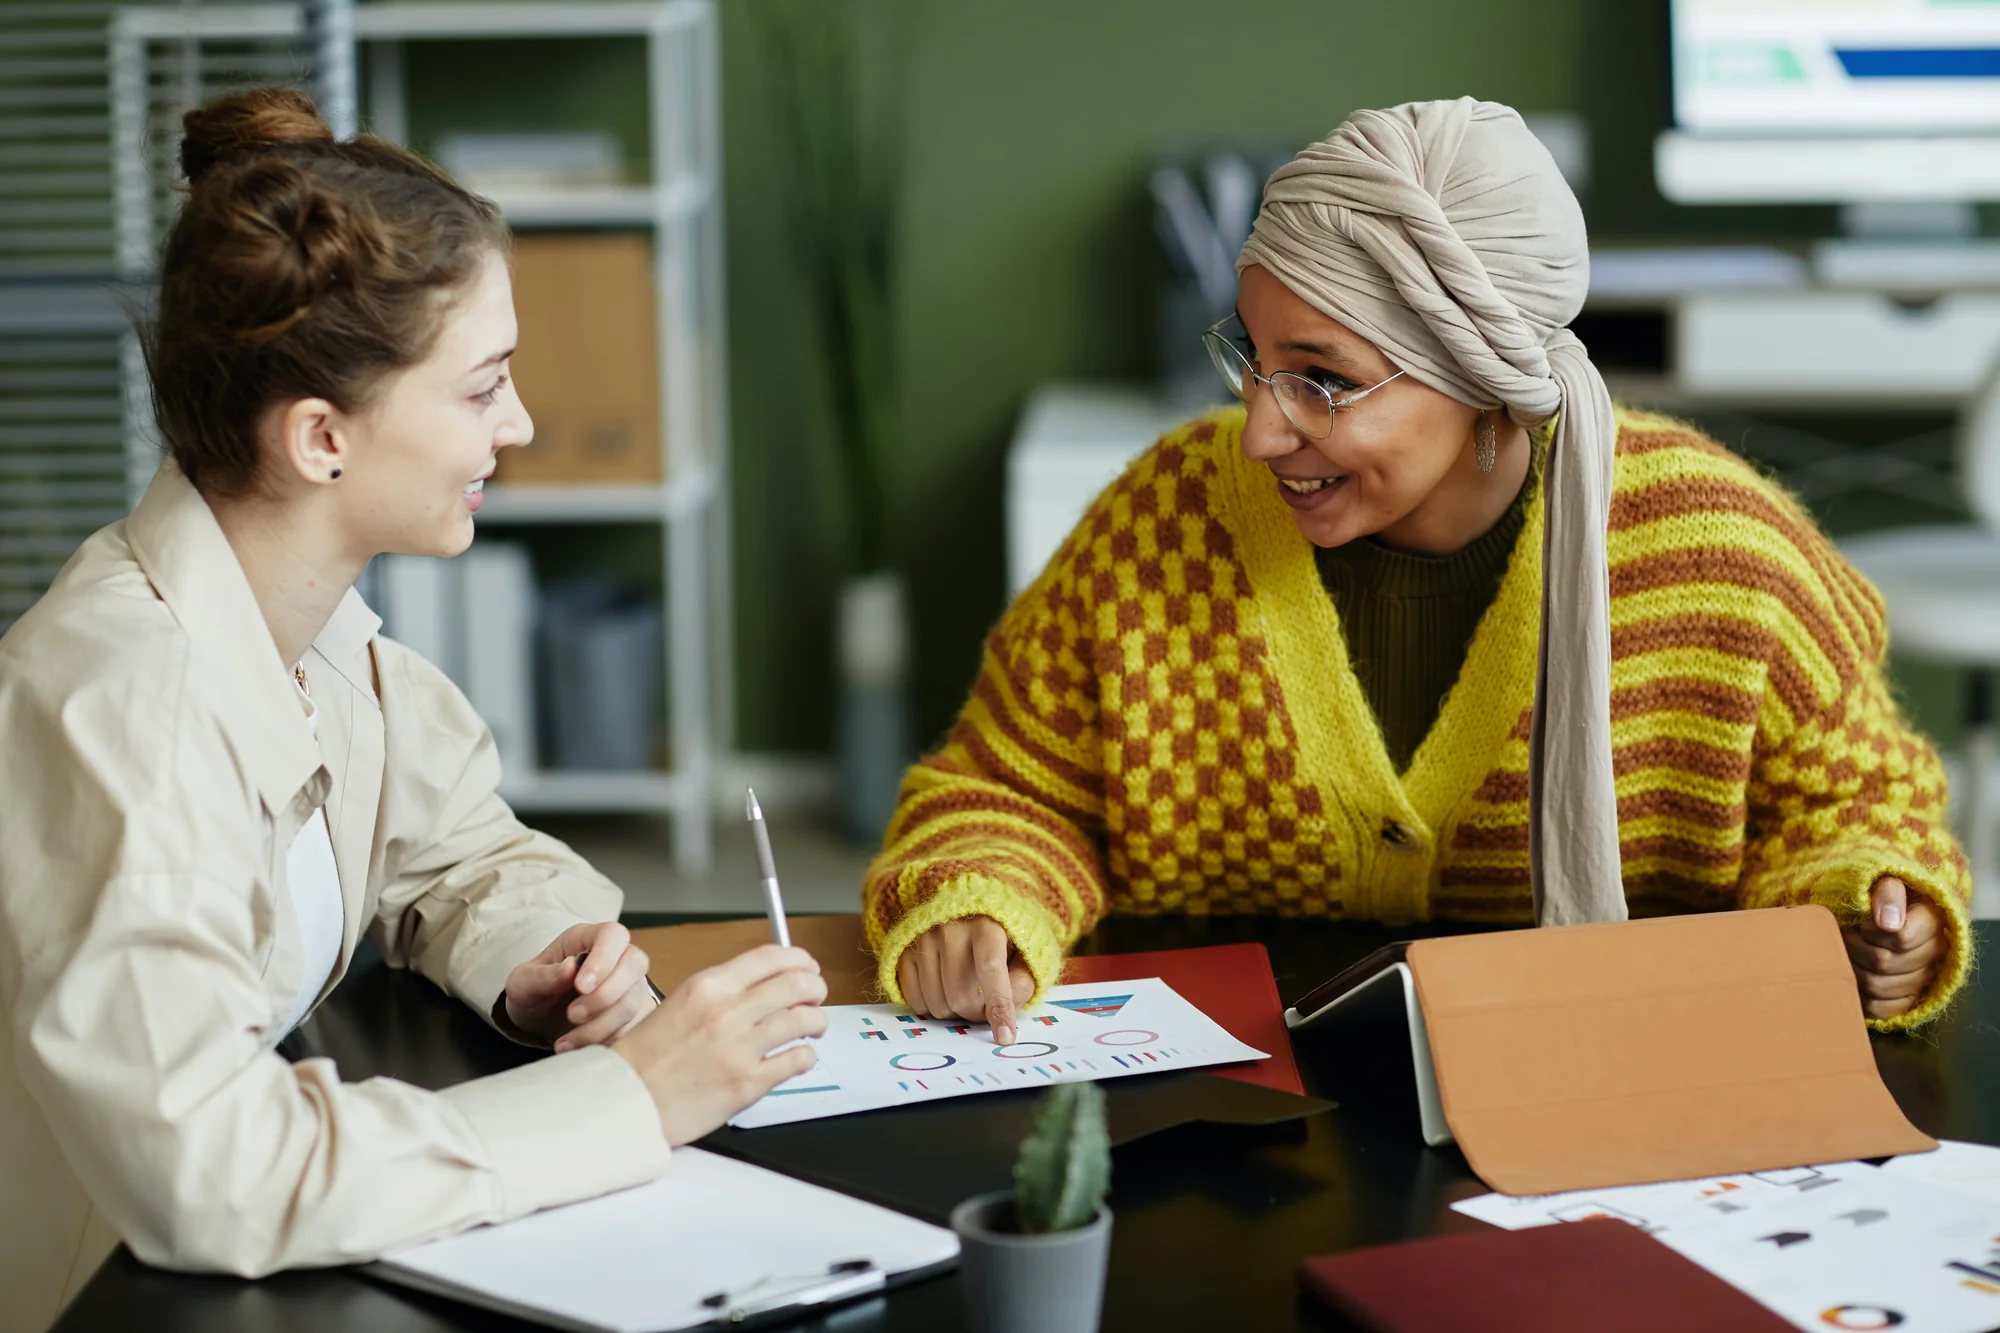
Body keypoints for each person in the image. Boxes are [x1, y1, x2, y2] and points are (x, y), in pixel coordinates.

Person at [864, 98, 1971, 1046]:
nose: (1256, 431)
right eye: (1250, 357)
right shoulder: (1163, 522)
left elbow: (1862, 811)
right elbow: (1001, 790)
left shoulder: (1723, 558)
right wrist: (983, 898)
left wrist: (1872, 911)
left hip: (1596, 1095)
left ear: (1479, 373)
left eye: (1322, 380)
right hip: (1236, 1127)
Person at [0, 90, 826, 1332]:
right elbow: (204, 1170)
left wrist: (546, 961)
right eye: (482, 386)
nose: (521, 424)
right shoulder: (126, 705)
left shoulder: (309, 618)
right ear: (323, 437)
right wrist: (629, 1100)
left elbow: (454, 846)